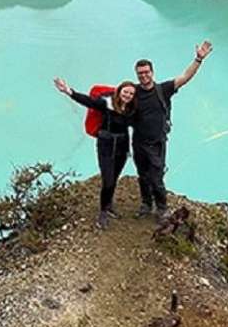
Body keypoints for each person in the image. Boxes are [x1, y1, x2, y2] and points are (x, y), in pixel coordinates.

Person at [131, 41, 213, 222]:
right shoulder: (133, 92)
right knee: (142, 175)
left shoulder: (163, 89)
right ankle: (146, 204)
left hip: (157, 142)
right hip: (138, 142)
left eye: (146, 72)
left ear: (152, 72)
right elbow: (116, 98)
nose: (143, 75)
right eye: (140, 73)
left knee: (156, 177)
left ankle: (162, 208)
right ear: (137, 75)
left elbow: (185, 77)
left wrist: (198, 59)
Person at [53, 77, 137, 229]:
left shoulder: (131, 109)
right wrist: (68, 91)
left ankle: (109, 206)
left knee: (115, 177)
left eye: (131, 94)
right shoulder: (107, 103)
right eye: (126, 92)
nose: (128, 96)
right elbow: (88, 101)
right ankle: (103, 212)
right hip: (106, 145)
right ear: (119, 91)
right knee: (108, 180)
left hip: (122, 147)